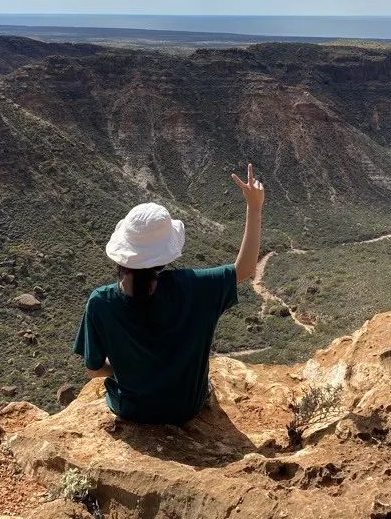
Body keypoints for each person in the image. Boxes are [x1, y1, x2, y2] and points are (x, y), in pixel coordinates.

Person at [73, 163, 265, 425]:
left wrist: (128, 367)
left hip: (132, 409)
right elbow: (245, 268)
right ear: (164, 257)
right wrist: (254, 208)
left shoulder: (100, 302)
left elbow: (93, 369)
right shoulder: (194, 286)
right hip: (186, 407)